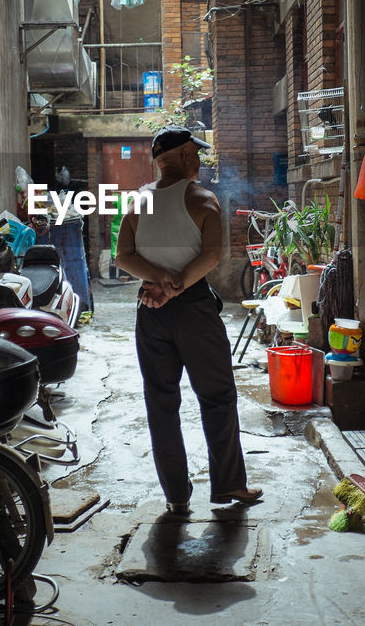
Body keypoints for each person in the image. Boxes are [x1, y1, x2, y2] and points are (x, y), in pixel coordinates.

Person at [114, 126, 263, 515]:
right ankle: (230, 485)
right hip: (194, 309)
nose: (198, 159)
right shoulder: (202, 199)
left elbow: (122, 257)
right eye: (194, 153)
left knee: (161, 403)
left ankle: (177, 497)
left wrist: (155, 282)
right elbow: (212, 257)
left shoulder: (138, 201)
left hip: (150, 311)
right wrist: (176, 286)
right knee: (216, 396)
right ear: (182, 156)